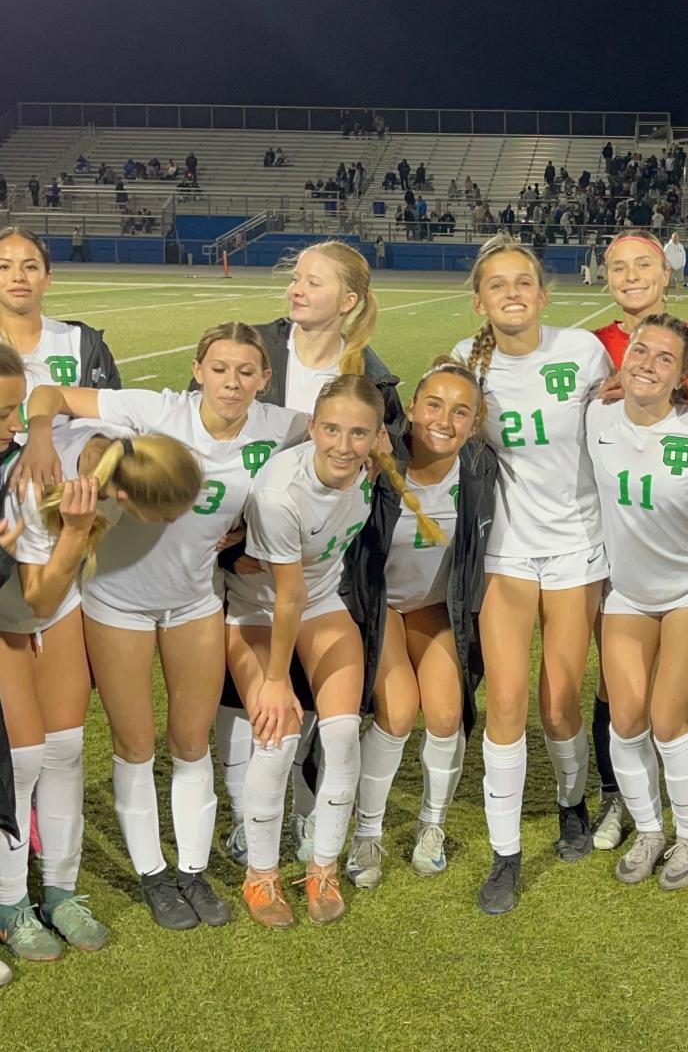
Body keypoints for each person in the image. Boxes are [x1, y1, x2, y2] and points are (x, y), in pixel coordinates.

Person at [20, 324, 308, 931]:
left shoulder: (280, 426)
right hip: (118, 602)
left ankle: (193, 872)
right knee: (135, 744)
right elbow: (50, 396)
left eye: (246, 372)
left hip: (195, 602)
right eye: (220, 368)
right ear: (197, 368)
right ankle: (154, 875)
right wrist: (40, 440)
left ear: (265, 378)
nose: (232, 383)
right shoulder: (157, 410)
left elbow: (340, 436)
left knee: (190, 741)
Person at [1, 338, 204, 964]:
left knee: (65, 749)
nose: (13, 429)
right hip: (15, 607)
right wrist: (79, 533)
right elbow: (34, 596)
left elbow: (46, 394)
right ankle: (11, 906)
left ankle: (61, 892)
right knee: (22, 759)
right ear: (131, 499)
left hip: (54, 606)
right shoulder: (47, 485)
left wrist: (36, 423)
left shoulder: (118, 441)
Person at [210, 240, 390, 871]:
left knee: (317, 706)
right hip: (238, 557)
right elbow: (211, 436)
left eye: (312, 281)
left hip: (315, 565)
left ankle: (308, 812)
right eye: (295, 278)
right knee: (242, 696)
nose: (296, 289)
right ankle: (244, 817)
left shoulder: (374, 376)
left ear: (347, 300)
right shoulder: (256, 352)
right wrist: (223, 536)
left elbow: (375, 474)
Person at [452, 234, 612, 914]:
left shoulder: (582, 353)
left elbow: (624, 431)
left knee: (559, 704)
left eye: (524, 282)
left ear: (543, 295)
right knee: (509, 704)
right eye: (498, 284)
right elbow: (437, 433)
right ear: (481, 299)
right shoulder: (466, 363)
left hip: (578, 545)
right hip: (508, 550)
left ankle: (572, 801)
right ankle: (506, 852)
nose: (513, 292)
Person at [226, 374, 394, 928]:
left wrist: (381, 446)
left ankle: (324, 867)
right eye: (331, 429)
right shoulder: (280, 492)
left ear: (375, 435)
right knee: (278, 736)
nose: (343, 445)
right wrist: (276, 681)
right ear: (312, 427)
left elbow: (308, 593)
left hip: (319, 604)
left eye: (359, 432)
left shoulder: (368, 465)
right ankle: (261, 875)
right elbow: (285, 594)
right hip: (257, 608)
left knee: (343, 734)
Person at [340, 358, 497, 888]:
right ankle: (368, 830)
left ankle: (432, 825)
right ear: (410, 409)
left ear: (475, 424)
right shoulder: (379, 458)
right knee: (400, 712)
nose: (444, 421)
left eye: (460, 412)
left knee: (448, 716)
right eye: (433, 405)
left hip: (434, 606)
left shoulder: (479, 467)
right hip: (380, 603)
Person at [586, 314, 688, 890]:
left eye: (665, 358)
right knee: (625, 718)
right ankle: (649, 828)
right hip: (627, 590)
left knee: (670, 721)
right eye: (641, 350)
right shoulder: (594, 414)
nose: (647, 363)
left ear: (683, 375)